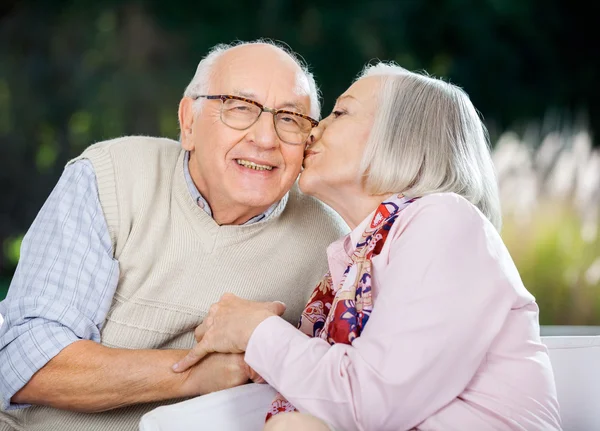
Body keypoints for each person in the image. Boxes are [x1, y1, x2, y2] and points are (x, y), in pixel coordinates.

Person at [169, 63, 562, 430]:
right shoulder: (361, 256)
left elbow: (369, 401)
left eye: (339, 114)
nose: (312, 131)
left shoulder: (447, 220)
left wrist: (256, 330)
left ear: (401, 135)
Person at [0, 40, 348, 431]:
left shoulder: (331, 244)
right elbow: (25, 361)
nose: (265, 139)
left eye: (289, 118)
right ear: (188, 122)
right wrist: (195, 374)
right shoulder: (109, 176)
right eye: (239, 108)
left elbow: (347, 392)